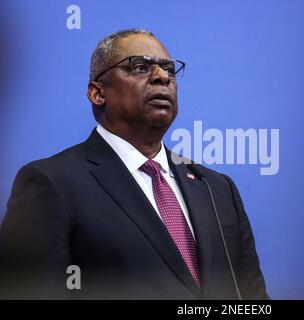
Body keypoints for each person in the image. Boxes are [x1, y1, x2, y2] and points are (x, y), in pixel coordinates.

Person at [0, 29, 268, 299]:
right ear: (97, 93)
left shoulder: (217, 190)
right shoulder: (51, 183)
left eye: (169, 70)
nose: (162, 76)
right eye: (140, 67)